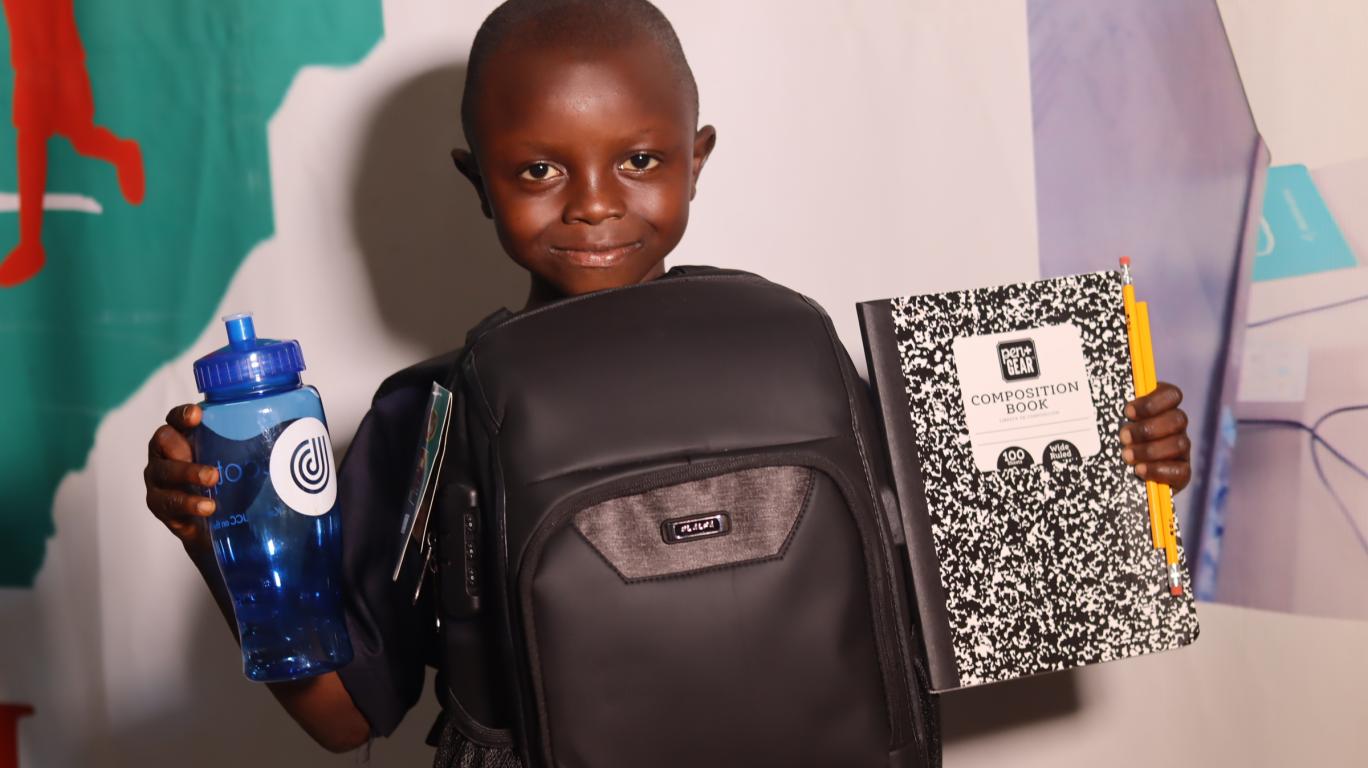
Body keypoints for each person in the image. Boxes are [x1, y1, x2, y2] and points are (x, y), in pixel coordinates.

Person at [141, 0, 1195, 760]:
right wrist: (221, 535)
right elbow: (343, 717)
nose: (595, 203)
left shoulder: (802, 359)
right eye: (539, 169)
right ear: (479, 180)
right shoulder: (431, 417)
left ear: (697, 158)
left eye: (638, 161)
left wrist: (1115, 464)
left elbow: (961, 598)